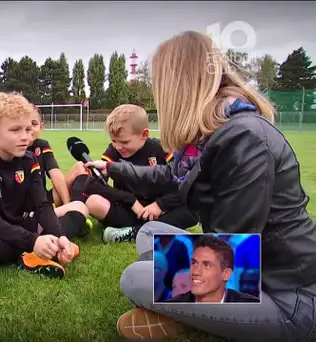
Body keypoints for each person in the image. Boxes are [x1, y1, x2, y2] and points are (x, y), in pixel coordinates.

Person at [85, 31, 316, 341]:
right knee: (150, 233)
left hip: (285, 294)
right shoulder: (213, 132)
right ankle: (199, 312)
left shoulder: (243, 139)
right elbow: (168, 174)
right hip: (247, 263)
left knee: (135, 279)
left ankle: (197, 317)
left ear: (176, 86)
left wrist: (180, 270)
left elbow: (233, 250)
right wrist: (112, 167)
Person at [0, 92, 89, 278]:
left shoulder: (30, 160)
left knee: (80, 207)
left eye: (28, 130)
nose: (25, 137)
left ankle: (50, 246)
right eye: (15, 130)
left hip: (26, 224)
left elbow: (42, 206)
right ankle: (36, 251)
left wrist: (60, 235)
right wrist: (32, 241)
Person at [84, 104, 197, 243]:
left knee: (194, 206)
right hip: (129, 210)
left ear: (144, 134)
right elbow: (94, 185)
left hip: (161, 212)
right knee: (93, 202)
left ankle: (135, 232)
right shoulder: (113, 152)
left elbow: (184, 183)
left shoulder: (161, 149)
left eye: (125, 142)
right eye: (114, 141)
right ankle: (155, 230)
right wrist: (131, 201)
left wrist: (161, 204)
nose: (118, 147)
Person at [28, 106, 92, 224]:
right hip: (22, 206)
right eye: (25, 124)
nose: (29, 128)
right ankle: (68, 215)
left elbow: (55, 174)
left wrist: (68, 205)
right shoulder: (13, 148)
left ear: (41, 127)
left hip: (43, 200)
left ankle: (72, 212)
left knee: (80, 167)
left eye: (34, 124)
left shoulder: (42, 145)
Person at [166, 235, 259, 303]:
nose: (195, 272)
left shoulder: (252, 242)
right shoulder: (172, 305)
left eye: (207, 265)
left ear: (226, 274)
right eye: (194, 263)